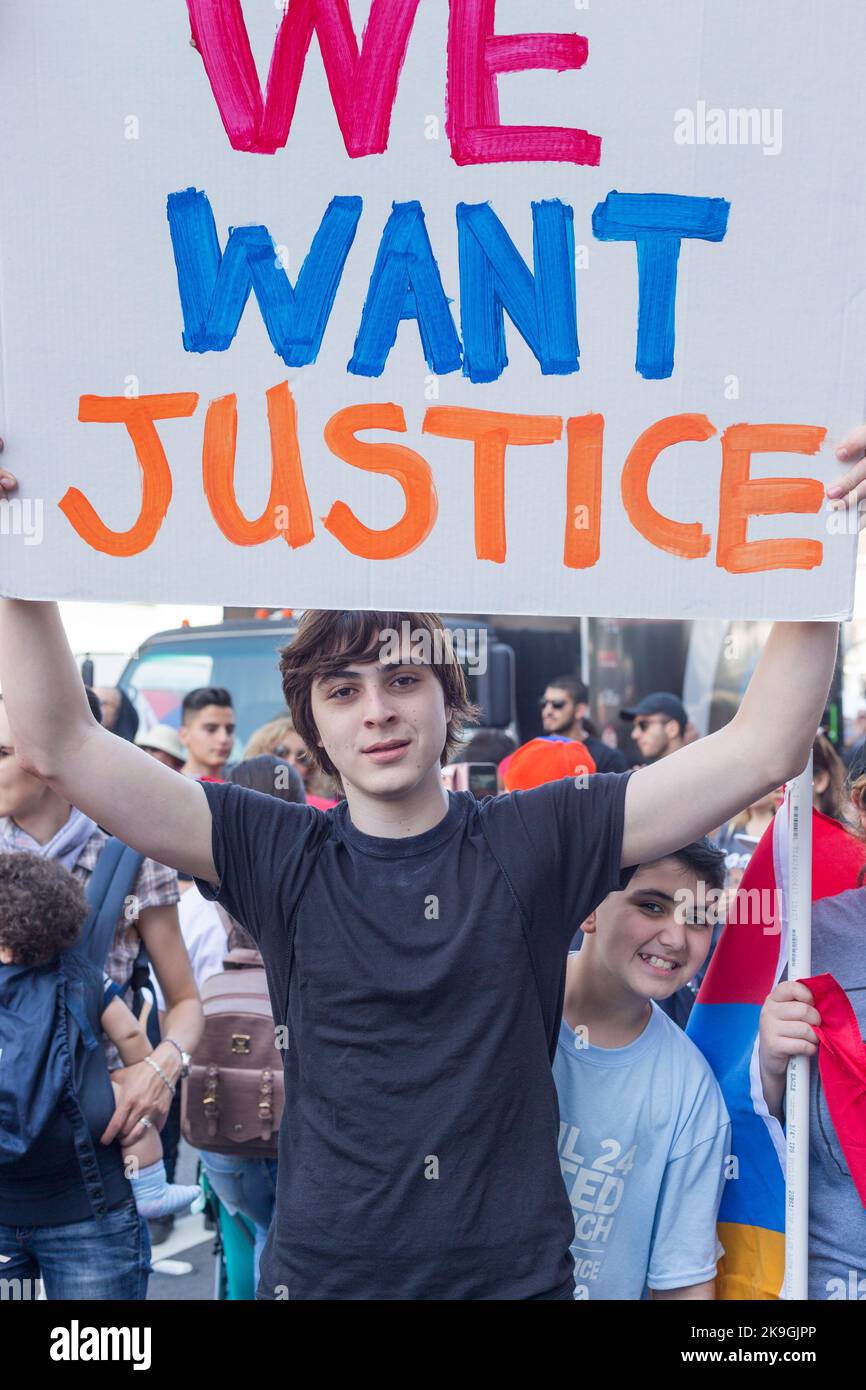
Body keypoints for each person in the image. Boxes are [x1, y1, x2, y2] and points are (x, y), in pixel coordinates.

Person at [0, 692, 204, 1246]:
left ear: (46, 756)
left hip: (100, 1165)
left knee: (100, 1337)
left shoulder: (133, 851)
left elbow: (184, 1001)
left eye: (0, 751)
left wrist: (160, 1070)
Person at [555, 837, 730, 1299]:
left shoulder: (690, 1087)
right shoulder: (506, 1012)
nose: (675, 937)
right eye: (651, 906)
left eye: (697, 917)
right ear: (587, 908)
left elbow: (684, 1281)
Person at [0, 853, 151, 1300]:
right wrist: (136, 1075)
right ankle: (157, 1185)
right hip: (89, 1209)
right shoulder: (84, 978)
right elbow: (130, 1035)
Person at [243, 713, 339, 808]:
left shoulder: (324, 812)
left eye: (302, 759)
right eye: (280, 752)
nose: (291, 763)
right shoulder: (235, 798)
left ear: (310, 772)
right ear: (259, 754)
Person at [539, 675, 628, 773]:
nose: (547, 711)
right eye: (544, 703)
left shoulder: (608, 758)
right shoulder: (534, 754)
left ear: (579, 710)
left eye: (557, 704)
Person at [179, 687, 236, 781]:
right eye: (211, 729)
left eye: (229, 730)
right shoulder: (169, 787)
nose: (223, 738)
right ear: (184, 735)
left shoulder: (245, 787)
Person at [621, 692, 689, 763]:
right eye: (634, 727)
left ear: (672, 729)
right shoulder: (643, 772)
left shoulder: (697, 770)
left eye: (643, 725)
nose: (634, 735)